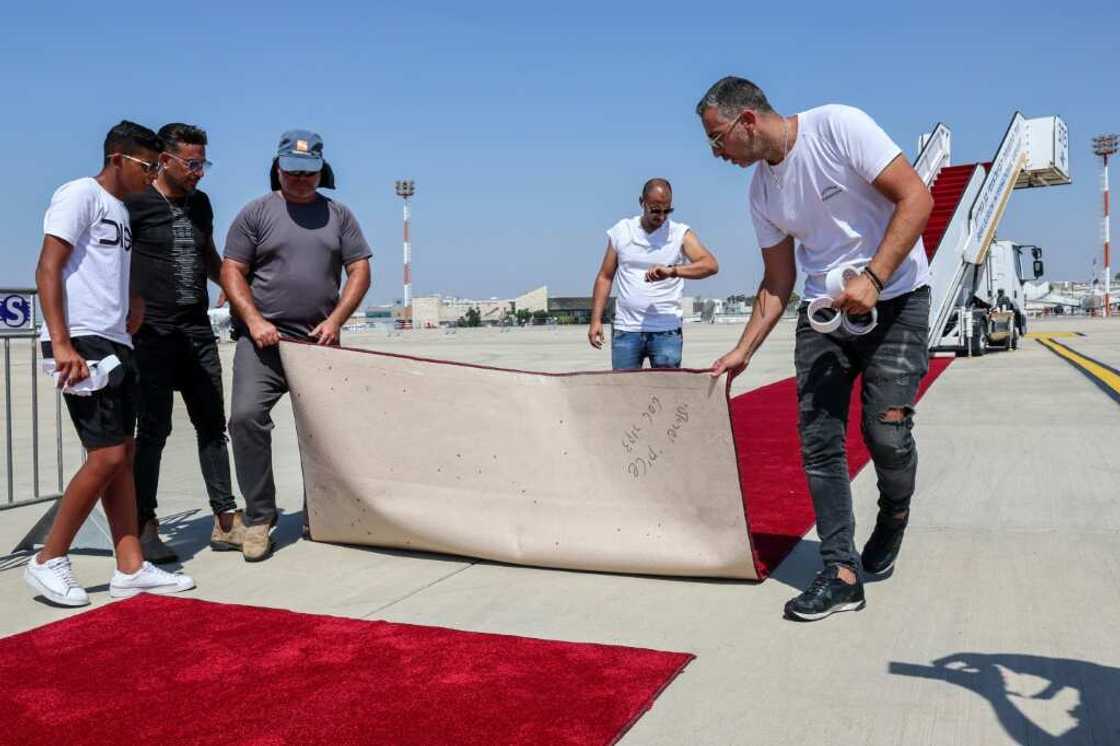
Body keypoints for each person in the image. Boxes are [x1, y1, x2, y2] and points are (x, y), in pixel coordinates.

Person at [698, 77, 934, 621]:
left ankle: (894, 512)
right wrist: (744, 350)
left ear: (747, 121)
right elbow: (778, 280)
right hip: (825, 315)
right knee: (819, 441)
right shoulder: (760, 191)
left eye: (718, 139)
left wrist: (874, 278)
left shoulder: (838, 127)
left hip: (896, 301)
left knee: (887, 432)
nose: (716, 153)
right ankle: (841, 571)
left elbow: (916, 197)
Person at [26, 120, 195, 606]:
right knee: (107, 458)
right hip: (81, 342)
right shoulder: (80, 194)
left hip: (115, 341)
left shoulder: (119, 211)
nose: (153, 173)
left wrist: (133, 297)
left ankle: (130, 566)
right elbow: (48, 266)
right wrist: (61, 343)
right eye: (148, 165)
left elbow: (102, 270)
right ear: (118, 158)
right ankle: (49, 559)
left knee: (124, 456)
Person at [221, 129, 372, 562]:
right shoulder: (255, 214)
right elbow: (233, 270)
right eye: (292, 172)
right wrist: (254, 319)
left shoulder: (339, 215)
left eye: (309, 173)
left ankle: (322, 511)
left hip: (317, 343)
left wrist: (335, 320)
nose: (301, 180)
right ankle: (260, 518)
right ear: (278, 167)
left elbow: (359, 270)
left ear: (321, 170)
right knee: (245, 418)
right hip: (262, 343)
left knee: (324, 431)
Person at [126, 123, 243, 564]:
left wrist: (234, 287)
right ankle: (144, 526)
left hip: (195, 330)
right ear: (165, 160)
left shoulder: (201, 204)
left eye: (203, 163)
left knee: (213, 425)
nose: (199, 173)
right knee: (153, 430)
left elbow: (208, 255)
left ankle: (226, 521)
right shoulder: (134, 203)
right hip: (151, 333)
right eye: (192, 164)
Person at [588, 179, 719, 368]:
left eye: (667, 210)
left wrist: (672, 271)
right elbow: (605, 277)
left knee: (666, 392)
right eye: (655, 210)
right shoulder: (622, 231)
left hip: (666, 332)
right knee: (624, 393)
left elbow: (710, 265)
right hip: (627, 330)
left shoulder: (680, 233)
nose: (662, 216)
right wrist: (595, 321)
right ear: (642, 203)